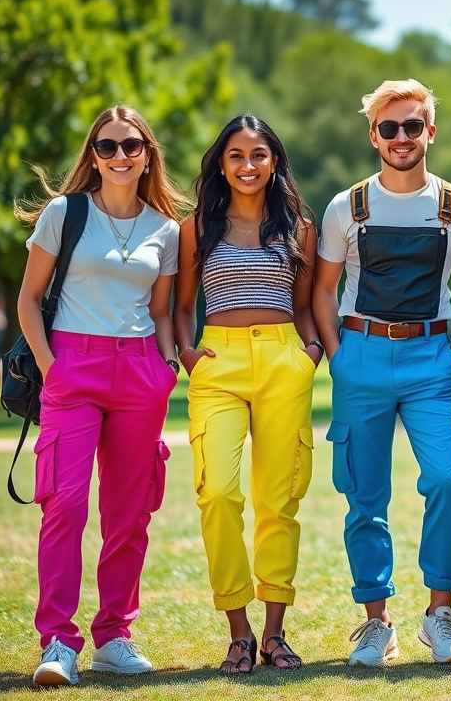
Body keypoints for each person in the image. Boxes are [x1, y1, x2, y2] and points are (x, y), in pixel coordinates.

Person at [313, 79, 451, 667]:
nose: (402, 137)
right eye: (390, 128)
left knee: (445, 479)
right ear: (374, 137)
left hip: (430, 360)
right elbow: (322, 290)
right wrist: (339, 356)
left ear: (429, 131)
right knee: (364, 495)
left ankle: (440, 615)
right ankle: (375, 622)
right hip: (360, 356)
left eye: (413, 125)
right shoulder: (348, 206)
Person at [16, 104, 184, 686]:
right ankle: (58, 641)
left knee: (130, 513)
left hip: (141, 372)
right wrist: (49, 366)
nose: (119, 155)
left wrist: (165, 366)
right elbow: (28, 299)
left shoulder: (167, 228)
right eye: (107, 146)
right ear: (93, 154)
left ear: (147, 154)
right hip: (72, 367)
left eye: (131, 145)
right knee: (64, 505)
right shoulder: (66, 214)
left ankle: (114, 634)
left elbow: (161, 311)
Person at [172, 115, 320, 674]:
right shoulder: (197, 228)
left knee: (279, 501)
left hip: (285, 359)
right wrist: (187, 354)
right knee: (218, 495)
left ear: (274, 161)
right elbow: (182, 306)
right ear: (222, 164)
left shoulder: (299, 228)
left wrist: (310, 354)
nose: (248, 165)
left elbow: (304, 304)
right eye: (236, 155)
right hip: (219, 362)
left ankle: (275, 634)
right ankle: (238, 628)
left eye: (258, 154)